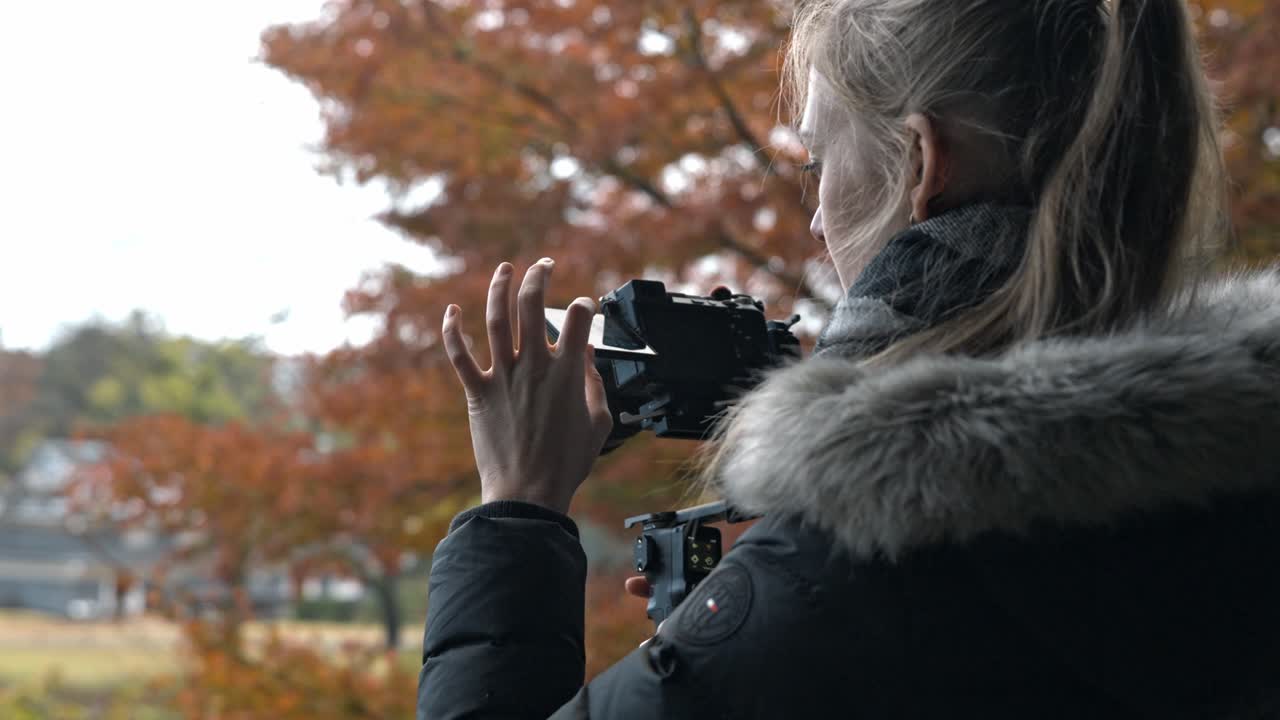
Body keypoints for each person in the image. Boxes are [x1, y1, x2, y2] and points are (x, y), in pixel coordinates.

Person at [422, 0, 1280, 717]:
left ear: (922, 163)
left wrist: (517, 511)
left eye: (818, 161)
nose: (818, 222)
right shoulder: (1237, 481)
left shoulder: (864, 573)